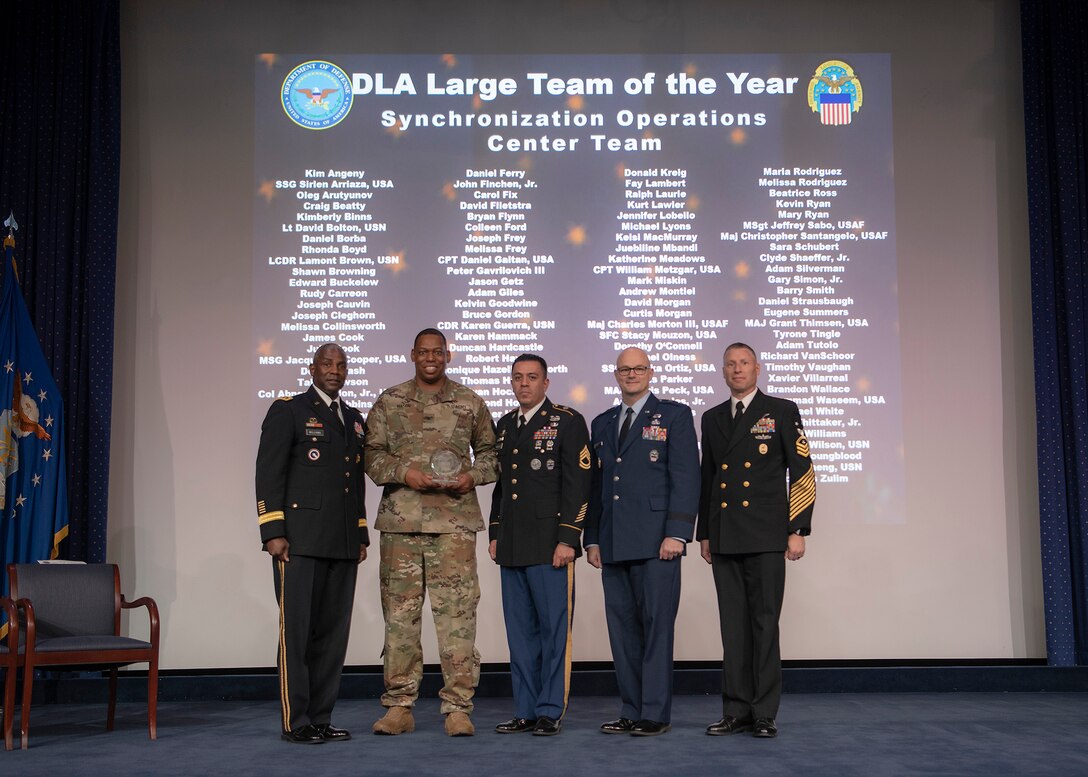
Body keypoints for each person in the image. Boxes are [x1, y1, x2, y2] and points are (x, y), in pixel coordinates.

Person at [364, 328, 498, 737]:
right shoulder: (389, 401)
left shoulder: (469, 402)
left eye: (437, 352)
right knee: (400, 619)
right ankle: (399, 706)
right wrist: (404, 473)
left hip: (453, 526)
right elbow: (371, 454)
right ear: (412, 355)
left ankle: (458, 707)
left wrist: (470, 477)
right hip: (401, 526)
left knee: (457, 618)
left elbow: (492, 455)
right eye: (423, 352)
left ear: (448, 355)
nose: (430, 358)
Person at [697, 342, 815, 738]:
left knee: (764, 624)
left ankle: (764, 712)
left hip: (766, 535)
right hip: (727, 535)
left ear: (757, 368)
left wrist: (796, 529)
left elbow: (801, 470)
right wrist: (706, 533)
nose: (737, 370)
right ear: (723, 371)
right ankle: (735, 710)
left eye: (744, 363)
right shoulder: (712, 417)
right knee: (732, 628)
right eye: (730, 364)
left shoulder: (781, 410)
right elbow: (708, 479)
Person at [254, 342, 368, 745]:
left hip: (341, 542)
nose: (334, 371)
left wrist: (360, 533)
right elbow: (269, 474)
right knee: (298, 634)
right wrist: (273, 532)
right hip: (298, 542)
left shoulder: (353, 419)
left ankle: (321, 717)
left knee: (332, 636)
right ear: (312, 368)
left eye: (341, 365)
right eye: (326, 364)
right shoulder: (288, 410)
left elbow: (354, 484)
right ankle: (296, 720)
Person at [584, 347, 700, 737]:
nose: (631, 374)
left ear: (650, 373)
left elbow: (686, 476)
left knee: (656, 627)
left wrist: (677, 532)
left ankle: (654, 713)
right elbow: (598, 487)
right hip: (614, 542)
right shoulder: (602, 422)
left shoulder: (674, 415)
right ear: (616, 375)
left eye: (638, 368)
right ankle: (631, 709)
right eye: (624, 369)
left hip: (657, 542)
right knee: (622, 630)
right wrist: (593, 539)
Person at [488, 354, 592, 736]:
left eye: (532, 377)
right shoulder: (504, 426)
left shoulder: (567, 421)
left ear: (546, 383)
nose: (524, 384)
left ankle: (550, 709)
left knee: (552, 632)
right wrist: (495, 534)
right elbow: (503, 489)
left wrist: (568, 539)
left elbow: (579, 485)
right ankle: (526, 710)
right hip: (513, 546)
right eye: (518, 378)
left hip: (551, 547)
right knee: (520, 634)